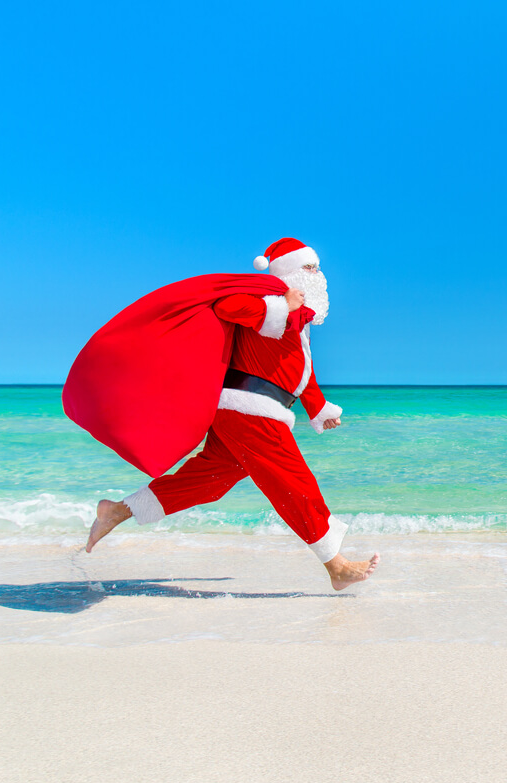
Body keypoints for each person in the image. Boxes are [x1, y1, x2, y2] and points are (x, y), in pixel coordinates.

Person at [78, 237, 379, 590]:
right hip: (250, 410)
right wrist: (282, 306)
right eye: (309, 268)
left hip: (252, 412)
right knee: (293, 481)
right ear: (288, 271)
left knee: (210, 481)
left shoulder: (298, 320)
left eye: (317, 267)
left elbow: (298, 369)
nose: (318, 274)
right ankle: (336, 566)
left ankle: (117, 511)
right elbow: (227, 306)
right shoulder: (266, 297)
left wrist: (318, 407)